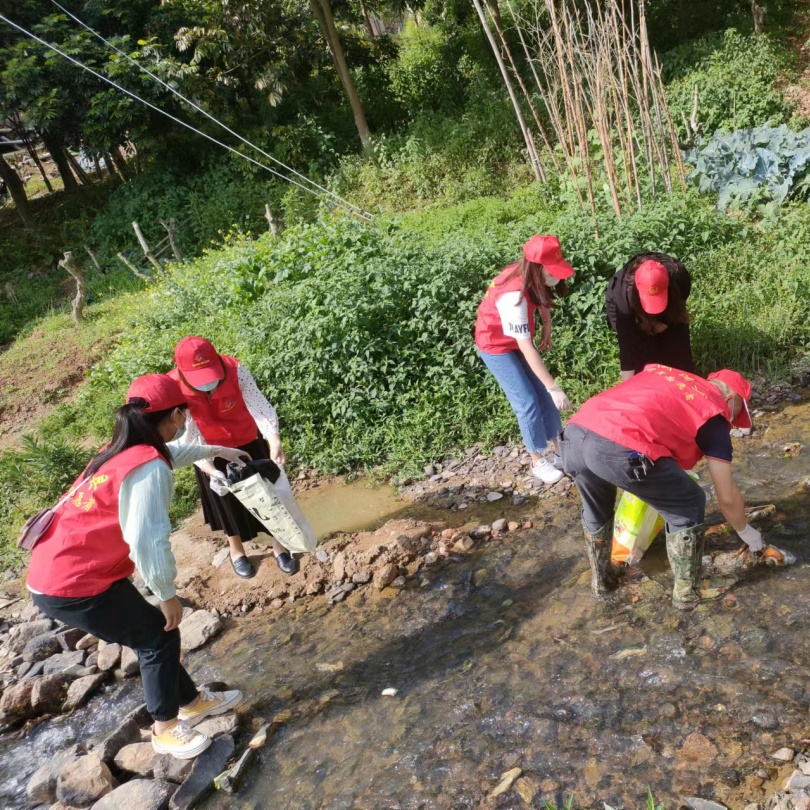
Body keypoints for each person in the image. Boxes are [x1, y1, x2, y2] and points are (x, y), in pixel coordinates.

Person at [26, 374, 247, 758]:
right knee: (157, 637)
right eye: (184, 415)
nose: (184, 421)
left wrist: (220, 450)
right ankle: (165, 730)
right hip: (72, 584)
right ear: (176, 415)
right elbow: (147, 541)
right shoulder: (147, 469)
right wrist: (166, 594)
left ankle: (192, 702)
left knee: (154, 633)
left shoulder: (123, 449)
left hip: (71, 569)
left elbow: (173, 452)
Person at [560, 364, 795, 609]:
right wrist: (747, 532)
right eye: (736, 413)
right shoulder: (714, 411)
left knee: (598, 511)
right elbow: (726, 496)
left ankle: (603, 582)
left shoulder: (672, 376)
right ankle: (687, 593)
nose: (733, 422)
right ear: (728, 399)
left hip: (576, 433)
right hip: (617, 447)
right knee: (690, 500)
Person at [169, 336, 298, 579]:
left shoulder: (235, 370)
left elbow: (260, 407)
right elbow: (187, 437)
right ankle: (236, 550)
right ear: (181, 371)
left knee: (267, 494)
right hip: (207, 449)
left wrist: (274, 440)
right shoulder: (174, 388)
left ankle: (279, 544)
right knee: (225, 501)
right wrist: (210, 469)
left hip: (247, 441)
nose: (208, 383)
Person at [474, 235, 574, 485]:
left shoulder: (530, 275)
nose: (556, 277)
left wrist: (547, 323)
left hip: (516, 338)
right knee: (527, 401)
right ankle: (537, 460)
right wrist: (555, 388)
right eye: (552, 272)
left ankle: (559, 448)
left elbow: (541, 293)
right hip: (495, 345)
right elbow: (526, 347)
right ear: (537, 268)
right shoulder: (513, 296)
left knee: (543, 393)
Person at [605, 252, 694, 380]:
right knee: (642, 361)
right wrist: (627, 390)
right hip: (629, 307)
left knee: (678, 356)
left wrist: (665, 323)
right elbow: (627, 349)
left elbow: (678, 309)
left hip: (670, 302)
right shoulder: (622, 298)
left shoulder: (680, 277)